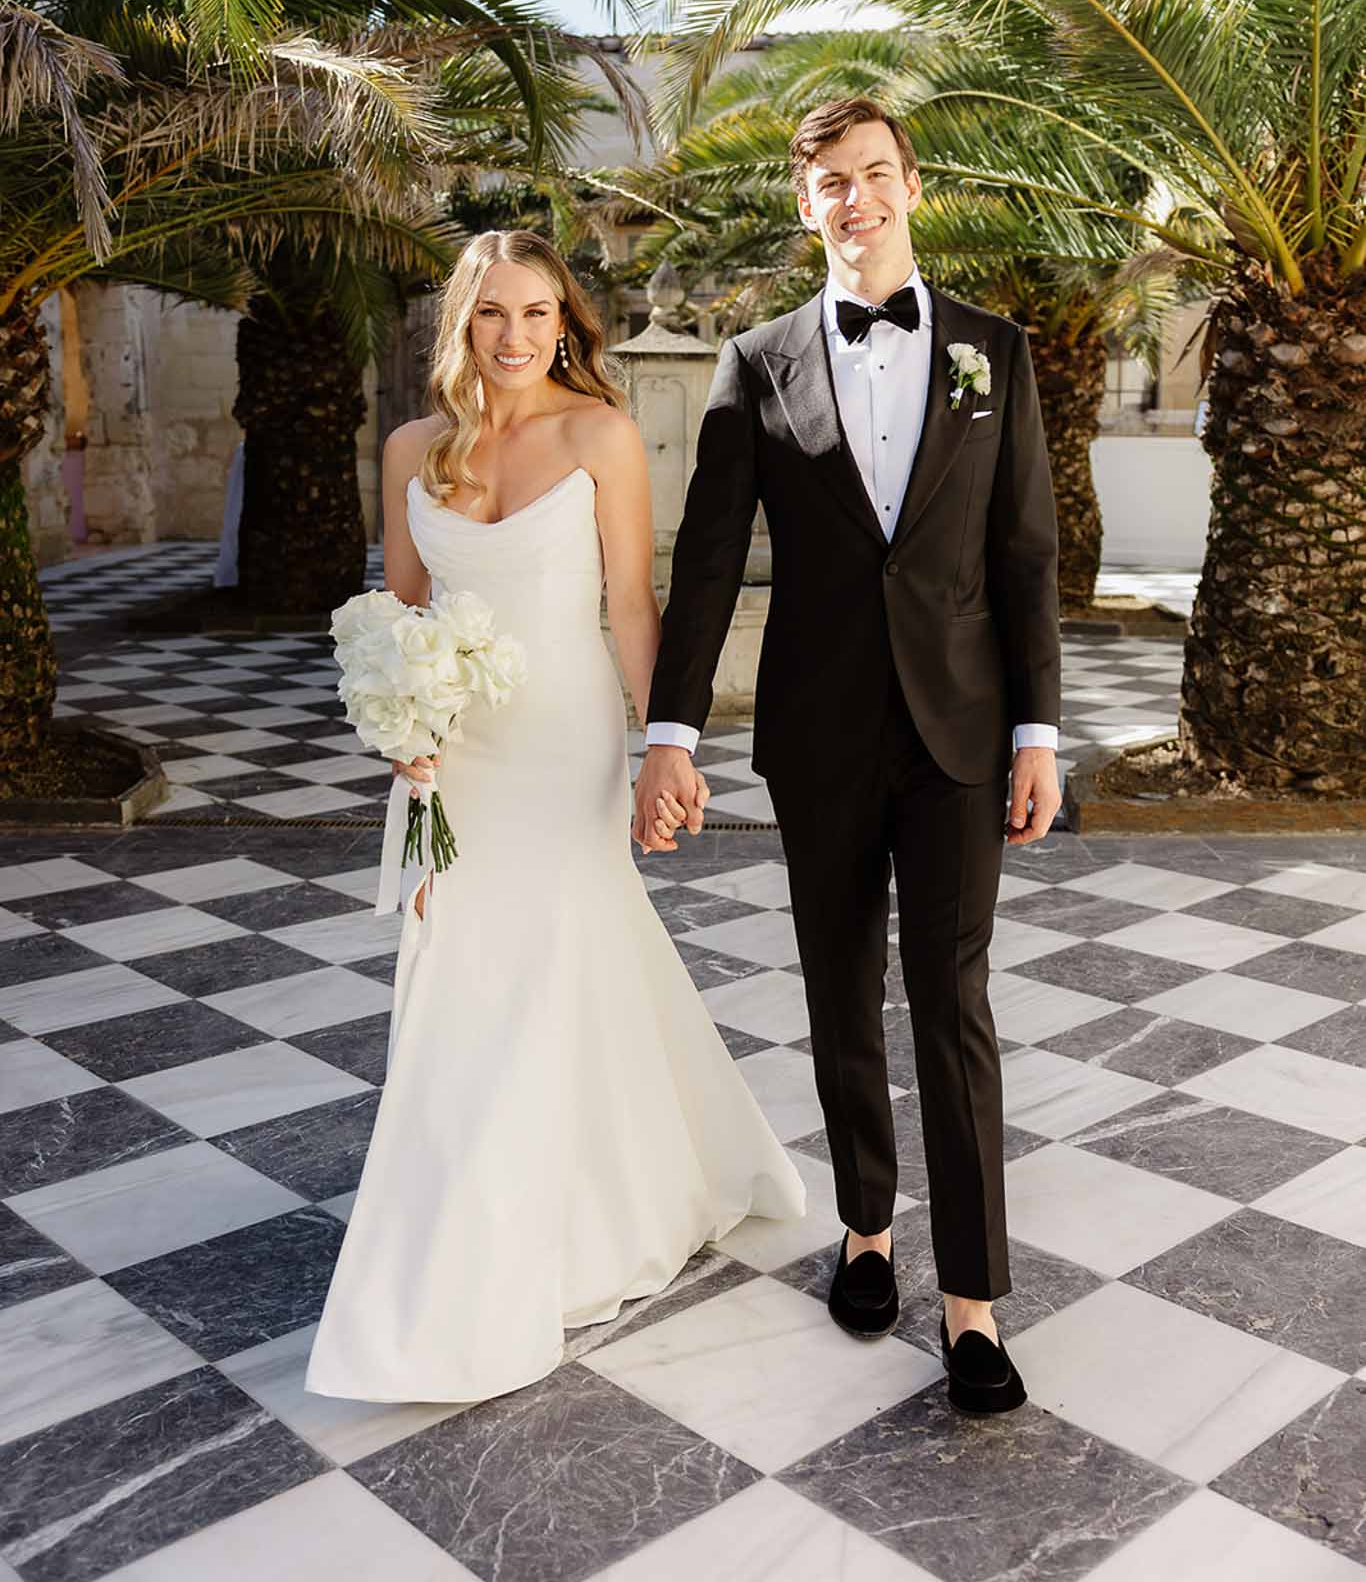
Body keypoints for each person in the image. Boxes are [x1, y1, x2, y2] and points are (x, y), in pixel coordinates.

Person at [307, 232, 804, 1406]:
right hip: (455, 755)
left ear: (565, 322)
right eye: (492, 314)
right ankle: (481, 1211)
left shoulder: (601, 435)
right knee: (462, 969)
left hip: (563, 743)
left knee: (543, 965)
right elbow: (399, 610)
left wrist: (663, 743)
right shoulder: (411, 449)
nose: (517, 335)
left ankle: (530, 1233)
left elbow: (632, 602)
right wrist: (399, 726)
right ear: (460, 325)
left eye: (538, 313)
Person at [633, 97, 1062, 1417]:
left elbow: (1024, 557)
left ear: (911, 188)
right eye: (829, 181)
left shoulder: (991, 353)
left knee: (953, 1000)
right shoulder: (754, 363)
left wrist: (1037, 731)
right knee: (836, 991)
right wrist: (669, 731)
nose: (854, 199)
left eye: (874, 174)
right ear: (802, 202)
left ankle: (974, 1306)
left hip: (958, 734)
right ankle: (865, 1234)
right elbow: (706, 562)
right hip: (816, 735)